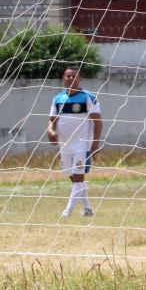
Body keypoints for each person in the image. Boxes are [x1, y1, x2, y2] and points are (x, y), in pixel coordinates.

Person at [47, 66, 102, 218]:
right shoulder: (58, 99)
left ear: (80, 79)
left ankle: (67, 211)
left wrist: (95, 144)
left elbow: (98, 122)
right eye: (68, 76)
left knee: (79, 177)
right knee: (73, 177)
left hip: (82, 145)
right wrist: (51, 131)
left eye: (74, 76)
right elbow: (52, 120)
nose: (71, 78)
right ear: (63, 78)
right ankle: (88, 209)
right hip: (65, 145)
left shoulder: (88, 97)